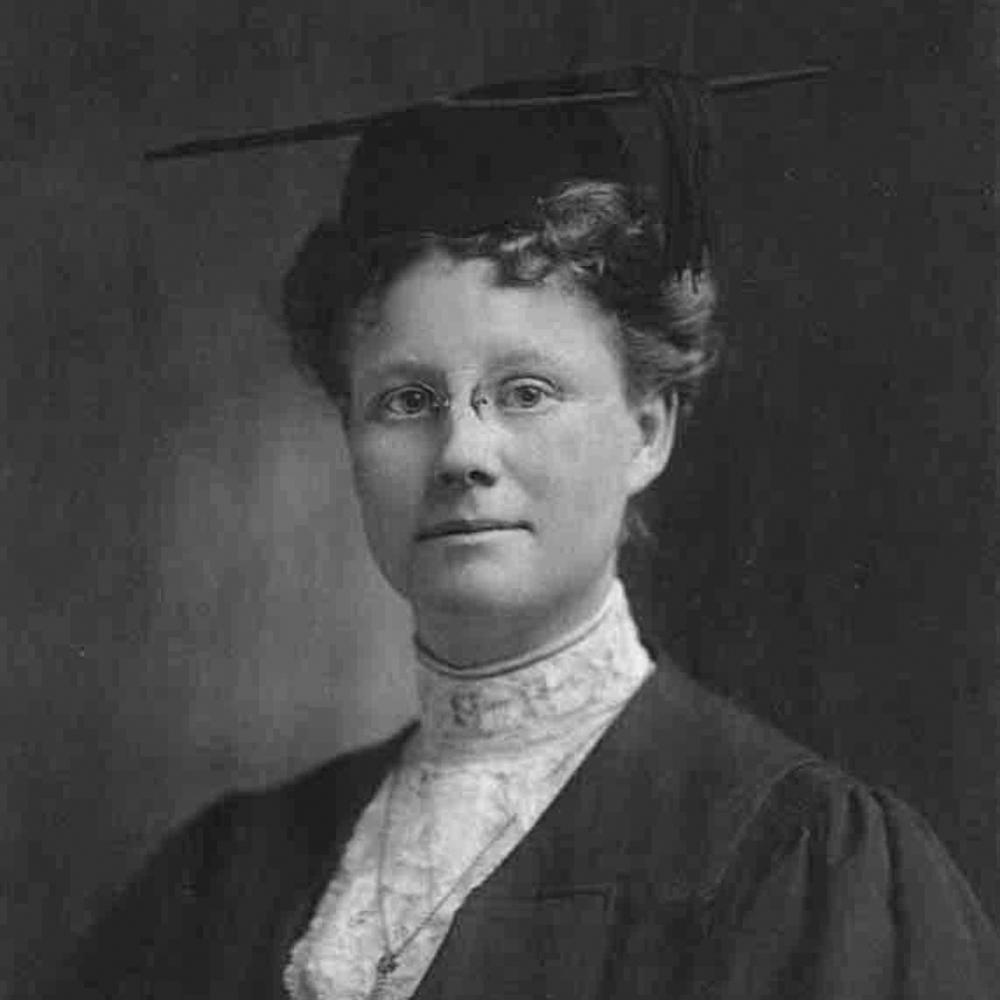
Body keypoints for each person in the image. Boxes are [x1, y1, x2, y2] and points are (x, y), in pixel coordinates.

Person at [62, 72, 999, 999]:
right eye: (405, 400)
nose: (462, 450)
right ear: (348, 433)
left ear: (648, 428)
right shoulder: (225, 880)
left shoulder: (805, 863)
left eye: (526, 392)